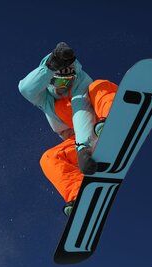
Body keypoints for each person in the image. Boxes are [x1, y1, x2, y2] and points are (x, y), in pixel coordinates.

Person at [18, 42, 118, 216]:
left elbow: (82, 112)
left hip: (95, 126)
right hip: (84, 145)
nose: (63, 86)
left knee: (98, 86)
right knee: (49, 158)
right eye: (57, 80)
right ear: (49, 80)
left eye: (67, 80)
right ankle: (79, 194)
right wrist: (51, 64)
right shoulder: (45, 99)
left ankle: (114, 119)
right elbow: (26, 89)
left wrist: (84, 148)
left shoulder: (81, 84)